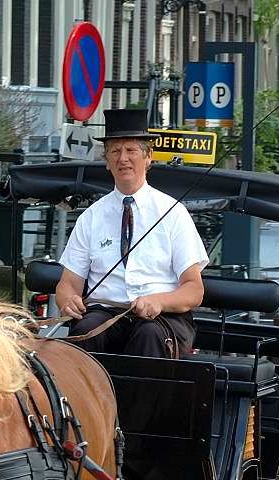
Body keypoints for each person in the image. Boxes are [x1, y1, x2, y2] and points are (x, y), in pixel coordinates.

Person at [55, 108, 209, 358]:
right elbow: (68, 284)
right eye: (115, 151)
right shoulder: (91, 217)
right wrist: (68, 300)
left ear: (148, 158)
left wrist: (159, 301)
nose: (123, 158)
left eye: (131, 151)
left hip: (162, 317)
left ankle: (141, 399)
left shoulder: (173, 212)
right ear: (106, 162)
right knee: (83, 332)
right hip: (105, 313)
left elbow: (194, 290)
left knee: (148, 336)